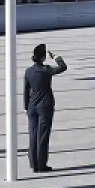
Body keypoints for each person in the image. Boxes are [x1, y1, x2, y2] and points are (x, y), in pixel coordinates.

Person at [23, 43, 67, 174]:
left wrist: (26, 106)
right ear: (43, 57)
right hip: (45, 106)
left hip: (32, 106)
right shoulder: (46, 70)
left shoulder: (28, 71)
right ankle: (41, 163)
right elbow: (63, 67)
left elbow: (26, 90)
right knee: (42, 136)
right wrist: (56, 57)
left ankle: (33, 163)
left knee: (33, 134)